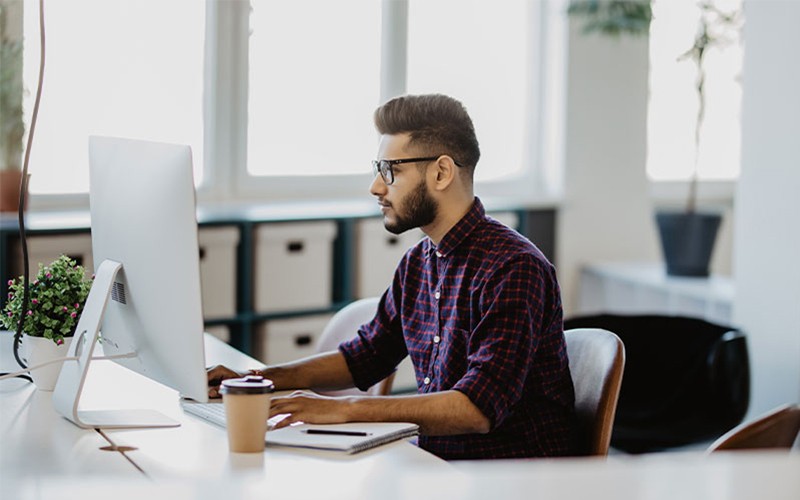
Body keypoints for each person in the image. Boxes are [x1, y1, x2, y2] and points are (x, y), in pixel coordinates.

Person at [207, 94, 577, 460]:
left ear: (441, 172)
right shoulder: (419, 261)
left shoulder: (513, 268)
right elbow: (365, 357)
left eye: (391, 171)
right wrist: (257, 379)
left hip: (511, 480)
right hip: (437, 466)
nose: (376, 187)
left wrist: (344, 409)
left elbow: (477, 409)